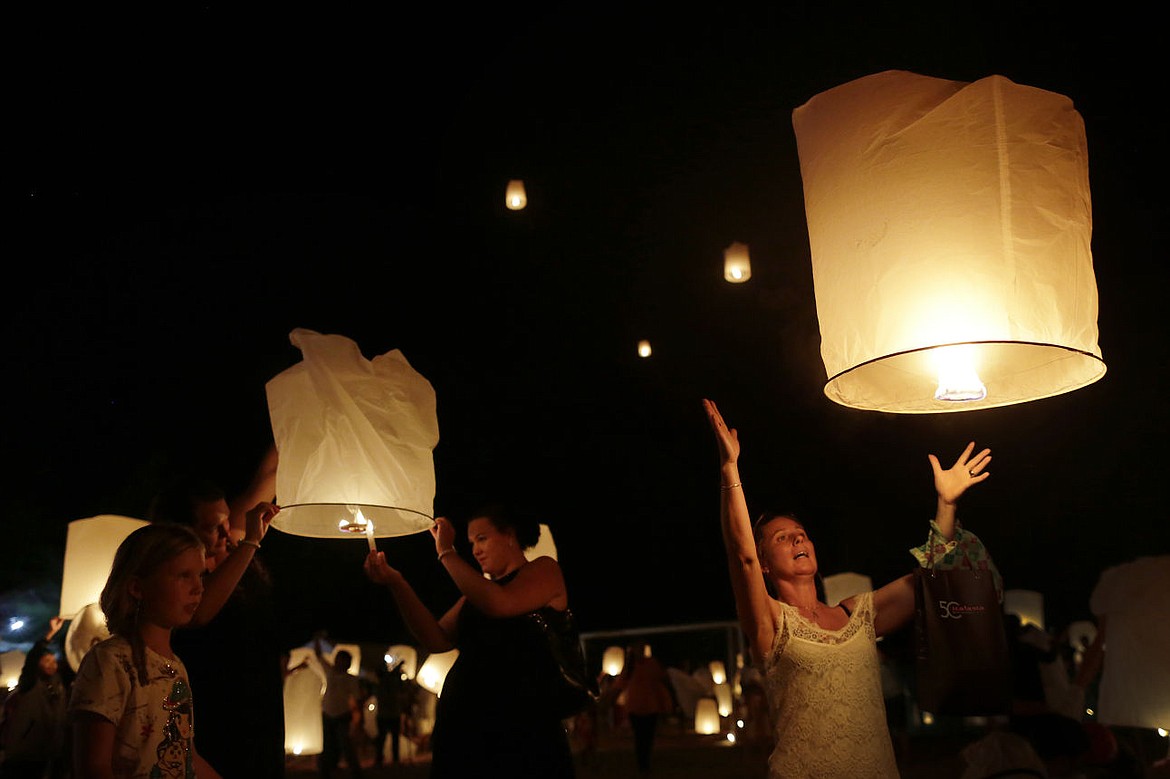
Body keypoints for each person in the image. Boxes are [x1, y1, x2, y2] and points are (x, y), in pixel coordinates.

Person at [703, 398, 1000, 779]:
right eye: (782, 538)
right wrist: (730, 469)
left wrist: (946, 504)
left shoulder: (856, 613)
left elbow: (928, 579)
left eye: (802, 535)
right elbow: (740, 555)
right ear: (764, 564)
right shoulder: (771, 622)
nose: (798, 541)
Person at [363, 506, 576, 779]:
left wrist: (447, 553)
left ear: (510, 535)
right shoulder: (475, 597)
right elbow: (436, 639)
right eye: (472, 542)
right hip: (465, 730)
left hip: (521, 731)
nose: (475, 550)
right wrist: (397, 582)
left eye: (482, 538)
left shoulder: (544, 570)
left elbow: (500, 603)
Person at [148, 444, 285, 779]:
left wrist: (308, 409)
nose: (227, 533)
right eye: (213, 527)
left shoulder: (228, 547)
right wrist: (251, 542)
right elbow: (199, 614)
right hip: (215, 715)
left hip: (262, 710)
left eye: (227, 521)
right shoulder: (172, 579)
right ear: (181, 531)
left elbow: (267, 475)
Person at [68, 523, 221, 779]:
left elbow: (186, 755)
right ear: (137, 587)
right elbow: (94, 766)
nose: (199, 587)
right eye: (184, 575)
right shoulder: (110, 661)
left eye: (201, 575)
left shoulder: (176, 668)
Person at [0, 618, 71, 779]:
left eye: (53, 661)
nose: (51, 664)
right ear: (38, 664)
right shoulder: (29, 683)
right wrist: (51, 633)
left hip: (50, 753)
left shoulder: (60, 686)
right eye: (46, 660)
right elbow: (32, 657)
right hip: (24, 755)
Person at [610, 642, 673, 776]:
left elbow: (660, 681)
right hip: (635, 707)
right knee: (640, 737)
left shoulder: (652, 664)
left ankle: (645, 761)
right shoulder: (630, 666)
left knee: (648, 737)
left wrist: (664, 702)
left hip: (651, 707)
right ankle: (642, 763)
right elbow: (621, 683)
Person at [313, 637, 363, 779]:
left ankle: (355, 772)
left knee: (346, 745)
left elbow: (357, 698)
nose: (340, 662)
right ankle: (326, 771)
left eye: (343, 660)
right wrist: (317, 639)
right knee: (327, 745)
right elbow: (319, 655)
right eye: (339, 659)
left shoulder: (350, 678)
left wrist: (358, 717)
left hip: (341, 715)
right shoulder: (329, 671)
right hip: (328, 714)